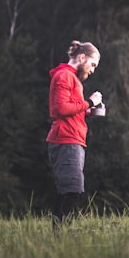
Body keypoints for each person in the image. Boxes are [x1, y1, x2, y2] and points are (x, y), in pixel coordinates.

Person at [46, 40, 104, 225]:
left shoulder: (72, 79)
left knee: (71, 191)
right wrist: (90, 102)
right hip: (66, 140)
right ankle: (60, 236)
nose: (93, 70)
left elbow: (71, 108)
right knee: (71, 191)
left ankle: (61, 235)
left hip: (73, 140)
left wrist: (90, 111)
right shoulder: (64, 76)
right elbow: (60, 109)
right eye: (92, 64)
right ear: (81, 57)